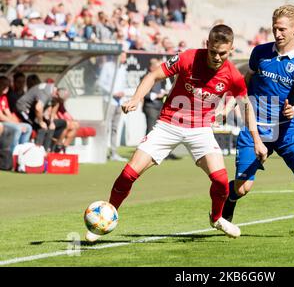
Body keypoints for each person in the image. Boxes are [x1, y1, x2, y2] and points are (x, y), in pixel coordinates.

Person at [85, 24, 267, 242]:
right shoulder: (187, 58)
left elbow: (246, 107)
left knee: (220, 181)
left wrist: (258, 141)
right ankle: (105, 217)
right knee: (128, 174)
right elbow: (154, 75)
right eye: (213, 52)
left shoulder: (233, 76)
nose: (217, 57)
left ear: (231, 50)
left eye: (222, 53)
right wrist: (136, 98)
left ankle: (216, 218)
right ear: (206, 45)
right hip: (168, 125)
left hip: (200, 130)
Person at [221, 5, 294, 237]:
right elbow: (245, 81)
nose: (277, 33)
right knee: (243, 188)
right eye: (274, 28)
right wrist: (231, 101)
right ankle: (229, 199)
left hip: (288, 130)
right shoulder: (260, 53)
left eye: (282, 29)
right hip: (256, 128)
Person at [15, 80, 67, 152]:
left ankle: (48, 151)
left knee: (52, 126)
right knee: (41, 127)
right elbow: (38, 108)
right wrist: (41, 122)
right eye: (59, 99)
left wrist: (51, 121)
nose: (58, 101)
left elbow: (56, 103)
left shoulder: (54, 93)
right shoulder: (46, 93)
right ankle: (38, 152)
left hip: (33, 111)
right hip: (23, 108)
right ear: (56, 93)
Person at [0, 76, 32, 151]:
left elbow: (8, 113)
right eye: (6, 87)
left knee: (28, 127)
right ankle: (11, 152)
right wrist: (16, 124)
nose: (7, 89)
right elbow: (1, 116)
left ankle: (22, 152)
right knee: (17, 128)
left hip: (5, 122)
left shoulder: (4, 97)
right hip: (1, 122)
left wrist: (17, 122)